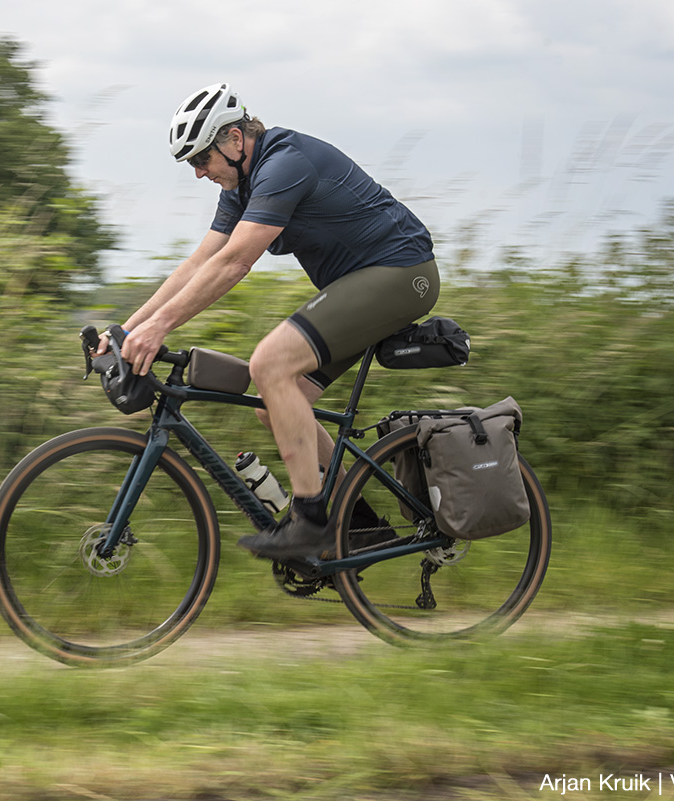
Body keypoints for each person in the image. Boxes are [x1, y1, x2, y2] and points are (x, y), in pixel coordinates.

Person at [101, 82, 439, 561]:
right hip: (361, 285)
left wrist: (160, 329)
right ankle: (356, 521)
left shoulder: (284, 163)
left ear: (236, 139)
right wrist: (132, 328)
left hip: (402, 274)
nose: (198, 173)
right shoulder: (243, 184)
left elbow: (235, 263)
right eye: (192, 164)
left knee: (270, 365)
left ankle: (311, 522)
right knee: (276, 404)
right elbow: (200, 262)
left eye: (202, 159)